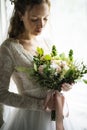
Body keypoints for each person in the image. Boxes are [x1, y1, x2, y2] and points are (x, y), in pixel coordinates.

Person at [0, 0, 81, 130]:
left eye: (45, 18)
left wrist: (65, 83)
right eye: (34, 19)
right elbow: (1, 94)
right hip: (30, 119)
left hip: (58, 113)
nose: (41, 25)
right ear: (21, 15)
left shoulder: (47, 42)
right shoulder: (9, 48)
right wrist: (40, 105)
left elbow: (55, 78)